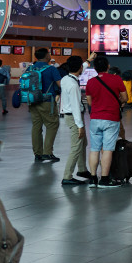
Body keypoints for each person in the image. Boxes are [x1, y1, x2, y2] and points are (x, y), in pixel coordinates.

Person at [85, 55, 127, 187]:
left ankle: (92, 178)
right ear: (108, 66)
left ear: (94, 68)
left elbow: (90, 102)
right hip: (111, 118)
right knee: (108, 149)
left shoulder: (91, 82)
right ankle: (104, 179)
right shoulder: (116, 79)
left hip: (95, 119)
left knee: (94, 149)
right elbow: (125, 98)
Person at [26, 48, 62, 163]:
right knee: (52, 125)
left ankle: (37, 154)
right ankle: (47, 152)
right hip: (47, 101)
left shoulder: (30, 68)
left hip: (32, 101)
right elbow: (59, 84)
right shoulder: (51, 69)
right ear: (46, 56)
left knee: (36, 127)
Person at [58, 56, 89, 185]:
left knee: (83, 143)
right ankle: (67, 176)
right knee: (76, 147)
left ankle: (82, 169)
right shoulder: (73, 86)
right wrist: (80, 126)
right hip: (74, 117)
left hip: (69, 115)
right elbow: (76, 107)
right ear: (80, 68)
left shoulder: (66, 79)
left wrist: (87, 62)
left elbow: (80, 68)